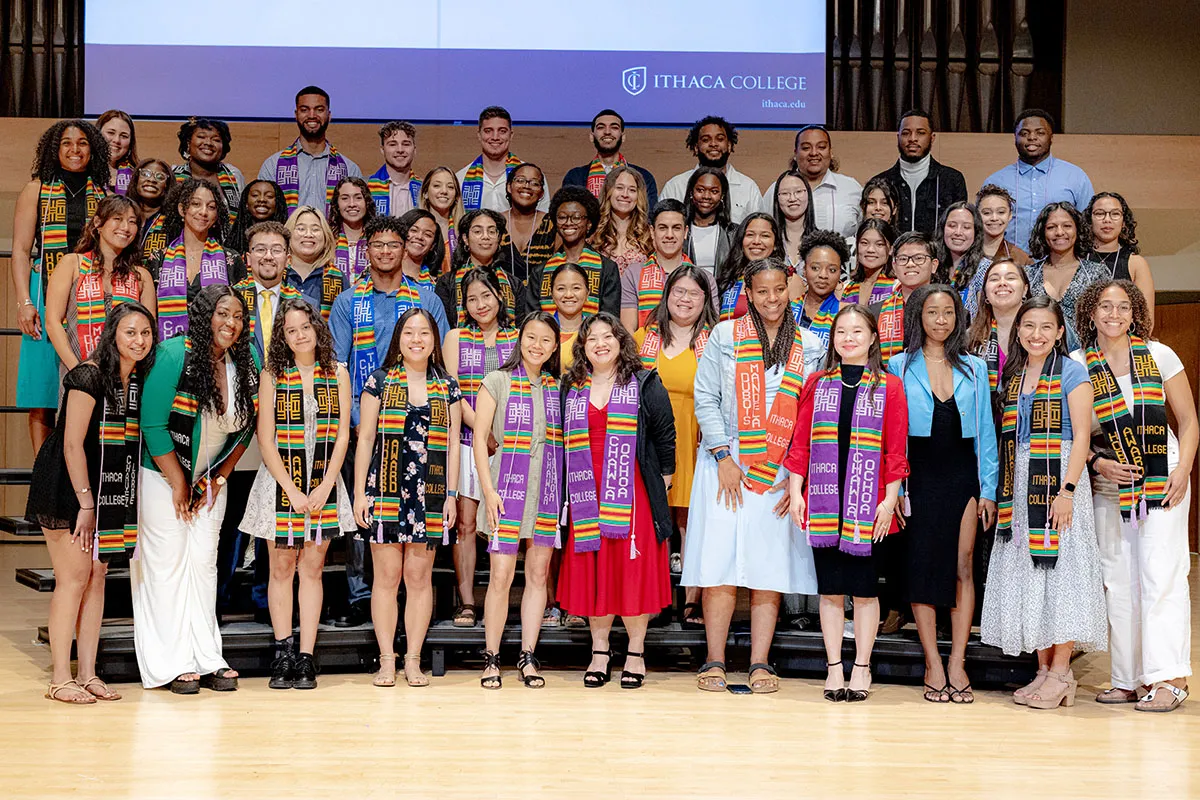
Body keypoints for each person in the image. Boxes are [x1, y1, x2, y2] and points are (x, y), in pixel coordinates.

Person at [686, 258, 824, 694]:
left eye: (778, 290)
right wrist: (723, 456)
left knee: (768, 566)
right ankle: (714, 659)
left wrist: (797, 474)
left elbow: (811, 416)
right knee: (720, 562)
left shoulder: (811, 344)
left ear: (791, 290)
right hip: (724, 463)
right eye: (761, 291)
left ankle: (761, 662)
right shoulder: (725, 336)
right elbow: (705, 397)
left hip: (780, 468)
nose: (771, 299)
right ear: (748, 293)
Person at [1072, 280, 1195, 712]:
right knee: (1118, 580)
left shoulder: (1159, 355)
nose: (1114, 314)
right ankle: (1127, 677)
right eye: (1105, 306)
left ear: (1134, 313)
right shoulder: (1076, 364)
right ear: (1090, 312)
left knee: (1161, 574)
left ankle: (1168, 678)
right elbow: (1074, 435)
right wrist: (1097, 464)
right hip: (1109, 478)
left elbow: (1189, 419)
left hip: (1163, 475)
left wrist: (1184, 469)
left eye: (1123, 307)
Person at [132, 284, 260, 692]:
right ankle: (169, 664)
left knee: (204, 566)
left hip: (209, 481)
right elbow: (153, 425)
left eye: (239, 316)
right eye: (223, 313)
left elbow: (248, 429)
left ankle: (207, 655)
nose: (231, 323)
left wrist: (219, 478)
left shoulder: (247, 360)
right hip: (162, 475)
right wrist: (178, 484)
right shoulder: (173, 355)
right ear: (205, 316)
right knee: (166, 566)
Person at [980, 296, 1106, 709]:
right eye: (1029, 326)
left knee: (1061, 572)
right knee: (1032, 572)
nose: (1037, 334)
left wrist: (1067, 491)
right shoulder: (1015, 376)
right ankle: (1043, 669)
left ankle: (1061, 671)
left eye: (1046, 327)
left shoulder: (1073, 373)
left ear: (1059, 332)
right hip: (1021, 484)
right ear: (1018, 331)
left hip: (1059, 481)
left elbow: (1083, 438)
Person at [27, 302, 156, 703]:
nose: (139, 340)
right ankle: (59, 678)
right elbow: (70, 445)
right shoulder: (89, 375)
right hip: (69, 486)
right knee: (74, 578)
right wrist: (85, 505)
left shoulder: (135, 380)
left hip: (108, 489)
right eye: (130, 332)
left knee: (97, 576)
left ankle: (87, 672)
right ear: (112, 333)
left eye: (146, 333)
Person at [786, 305, 909, 702]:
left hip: (868, 503)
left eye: (858, 331)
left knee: (865, 591)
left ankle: (862, 667)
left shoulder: (888, 386)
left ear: (873, 338)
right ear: (832, 338)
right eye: (842, 331)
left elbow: (895, 450)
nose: (849, 338)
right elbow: (801, 443)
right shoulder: (817, 383)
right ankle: (834, 667)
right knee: (831, 591)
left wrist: (890, 501)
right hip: (824, 501)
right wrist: (794, 491)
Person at [330, 215, 449, 626]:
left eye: (393, 245)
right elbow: (338, 364)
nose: (385, 251)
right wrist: (349, 421)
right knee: (364, 515)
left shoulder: (426, 297)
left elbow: (442, 358)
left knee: (420, 515)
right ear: (367, 250)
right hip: (365, 422)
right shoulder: (349, 300)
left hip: (419, 423)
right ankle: (363, 598)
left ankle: (415, 603)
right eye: (377, 244)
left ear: (405, 249)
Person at [889, 286, 998, 703]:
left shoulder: (974, 367)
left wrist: (988, 489)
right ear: (918, 316)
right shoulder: (899, 365)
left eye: (948, 312)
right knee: (922, 567)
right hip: (917, 478)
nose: (940, 320)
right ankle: (933, 662)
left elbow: (986, 433)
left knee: (963, 566)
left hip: (962, 477)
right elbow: (891, 433)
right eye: (932, 312)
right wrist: (895, 485)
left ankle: (958, 661)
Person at [241, 298, 353, 690]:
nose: (299, 335)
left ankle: (307, 656)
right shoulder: (273, 373)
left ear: (316, 328)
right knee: (280, 569)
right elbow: (265, 438)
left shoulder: (337, 372)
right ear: (282, 337)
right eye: (290, 330)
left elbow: (342, 434)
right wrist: (290, 489)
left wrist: (324, 486)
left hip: (324, 481)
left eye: (305, 326)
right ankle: (283, 651)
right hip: (280, 483)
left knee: (313, 569)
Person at [559, 313, 675, 689]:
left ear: (621, 340)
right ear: (582, 347)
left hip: (633, 493)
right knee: (595, 574)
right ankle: (599, 651)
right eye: (591, 339)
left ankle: (637, 653)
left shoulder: (644, 382)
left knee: (631, 574)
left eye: (607, 336)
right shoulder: (571, 386)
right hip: (584, 493)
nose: (600, 344)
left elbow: (665, 436)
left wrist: (661, 483)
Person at [353, 308, 462, 687]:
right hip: (384, 488)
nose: (417, 339)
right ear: (398, 340)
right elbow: (365, 438)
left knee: (418, 577)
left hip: (429, 494)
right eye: (410, 333)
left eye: (425, 333)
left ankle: (414, 658)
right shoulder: (379, 382)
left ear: (435, 341)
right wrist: (359, 493)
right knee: (386, 577)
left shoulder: (447, 386)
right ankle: (387, 659)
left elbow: (452, 445)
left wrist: (451, 494)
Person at [472, 312, 564, 688]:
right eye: (531, 337)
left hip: (546, 489)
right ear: (519, 339)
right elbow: (479, 438)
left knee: (538, 574)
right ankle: (492, 657)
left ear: (555, 346)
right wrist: (488, 491)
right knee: (501, 576)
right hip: (505, 491)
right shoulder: (497, 381)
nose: (537, 345)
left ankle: (528, 655)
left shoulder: (558, 388)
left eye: (546, 340)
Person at [12, 120, 109, 452]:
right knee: (42, 391)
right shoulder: (36, 189)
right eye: (66, 143)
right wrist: (25, 302)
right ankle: (43, 476)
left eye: (82, 143)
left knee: (87, 382)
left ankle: (77, 470)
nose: (74, 150)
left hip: (90, 293)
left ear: (92, 149)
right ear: (55, 150)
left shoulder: (105, 195)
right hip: (43, 292)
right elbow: (22, 251)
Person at [634, 266, 717, 627]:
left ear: (705, 301)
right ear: (666, 295)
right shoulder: (642, 338)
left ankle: (692, 601)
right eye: (679, 291)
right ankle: (655, 597)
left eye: (694, 294)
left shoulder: (716, 340)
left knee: (692, 522)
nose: (685, 300)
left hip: (696, 439)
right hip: (651, 442)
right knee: (654, 519)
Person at [442, 269, 520, 629]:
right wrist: (482, 430)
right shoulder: (456, 338)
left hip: (511, 442)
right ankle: (467, 601)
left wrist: (499, 434)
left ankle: (520, 598)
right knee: (466, 523)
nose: (479, 305)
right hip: (468, 438)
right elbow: (452, 391)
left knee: (511, 522)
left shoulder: (518, 338)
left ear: (499, 297)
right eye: (471, 299)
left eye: (485, 296)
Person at [44, 195, 156, 376]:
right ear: (98, 223)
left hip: (126, 377)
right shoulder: (72, 264)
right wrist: (80, 371)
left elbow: (148, 332)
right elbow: (52, 323)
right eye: (117, 219)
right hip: (78, 370)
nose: (125, 228)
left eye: (132, 221)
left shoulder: (141, 276)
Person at [982, 109, 1094, 248]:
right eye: (1024, 133)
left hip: (1059, 266)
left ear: (1051, 138)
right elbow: (983, 230)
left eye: (1040, 132)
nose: (1032, 137)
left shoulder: (1075, 177)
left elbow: (1088, 225)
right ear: (1014, 138)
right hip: (1010, 265)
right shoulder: (996, 181)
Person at [148, 178, 240, 339]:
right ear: (182, 209)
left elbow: (239, 313)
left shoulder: (230, 259)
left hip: (216, 351)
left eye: (211, 207)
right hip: (170, 350)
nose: (204, 212)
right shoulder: (158, 258)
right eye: (196, 204)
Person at [258, 85, 362, 216]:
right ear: (296, 115)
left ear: (329, 115)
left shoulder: (349, 169)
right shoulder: (272, 166)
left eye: (319, 109)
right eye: (304, 110)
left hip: (333, 237)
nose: (312, 115)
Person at [621, 199, 719, 332]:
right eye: (663, 228)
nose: (669, 235)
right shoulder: (634, 273)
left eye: (676, 228)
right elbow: (628, 330)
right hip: (643, 350)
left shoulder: (704, 278)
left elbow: (710, 328)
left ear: (685, 232)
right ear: (652, 231)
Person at [868, 110, 968, 235]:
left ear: (932, 138)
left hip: (937, 254)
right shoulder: (882, 182)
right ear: (898, 137)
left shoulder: (951, 180)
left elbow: (960, 227)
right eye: (906, 133)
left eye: (920, 133)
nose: (913, 139)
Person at [1025, 202, 1109, 351]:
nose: (1059, 232)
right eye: (1051, 227)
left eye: (1067, 226)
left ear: (1078, 230)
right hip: (1038, 351)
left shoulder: (1097, 273)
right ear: (1042, 233)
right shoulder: (1029, 274)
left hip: (1086, 355)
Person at [530, 187, 621, 318]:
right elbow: (532, 319)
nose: (568, 223)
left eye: (576, 218)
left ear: (589, 223)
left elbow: (610, 319)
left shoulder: (607, 268)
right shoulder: (540, 271)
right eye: (562, 217)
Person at [766, 125, 861, 241]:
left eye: (821, 147)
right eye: (806, 148)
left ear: (830, 152)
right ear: (795, 153)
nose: (814, 153)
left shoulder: (851, 188)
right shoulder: (777, 189)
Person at [660, 116, 762, 223]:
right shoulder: (675, 186)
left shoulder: (748, 187)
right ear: (696, 147)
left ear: (729, 146)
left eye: (720, 139)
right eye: (706, 140)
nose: (713, 144)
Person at [436, 209, 524, 326]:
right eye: (477, 231)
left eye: (492, 232)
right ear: (465, 239)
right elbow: (443, 329)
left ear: (498, 238)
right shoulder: (447, 283)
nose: (485, 237)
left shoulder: (514, 284)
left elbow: (522, 328)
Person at [456, 106, 550, 213]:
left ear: (511, 135)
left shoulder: (533, 178)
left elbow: (544, 219)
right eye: (488, 131)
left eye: (502, 131)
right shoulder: (460, 179)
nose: (495, 137)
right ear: (479, 135)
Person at [1083, 192, 1156, 325]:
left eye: (1115, 214)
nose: (1107, 219)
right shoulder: (1077, 258)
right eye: (1100, 213)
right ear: (1089, 220)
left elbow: (1146, 319)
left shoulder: (1136, 263)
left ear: (1123, 222)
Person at [562, 109, 658, 208]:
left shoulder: (644, 177)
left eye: (614, 127)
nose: (607, 132)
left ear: (623, 137)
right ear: (592, 136)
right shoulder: (574, 177)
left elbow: (648, 216)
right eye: (601, 127)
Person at [966, 258, 1032, 396]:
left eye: (1011, 278)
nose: (1002, 283)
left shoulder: (1045, 331)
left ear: (1025, 289)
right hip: (982, 415)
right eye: (994, 279)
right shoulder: (969, 338)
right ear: (986, 293)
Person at [875, 231, 939, 360]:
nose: (910, 264)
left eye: (919, 258)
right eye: (903, 259)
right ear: (894, 266)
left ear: (934, 265)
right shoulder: (875, 312)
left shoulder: (951, 311)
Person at [716, 213, 789, 321]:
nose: (756, 241)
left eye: (765, 236)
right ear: (741, 241)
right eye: (750, 235)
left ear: (775, 244)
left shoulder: (789, 279)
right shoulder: (729, 279)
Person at [282, 205, 346, 321]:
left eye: (315, 229)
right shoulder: (276, 274)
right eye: (301, 229)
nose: (308, 234)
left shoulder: (337, 278)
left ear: (325, 236)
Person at [173, 117, 243, 222]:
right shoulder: (173, 175)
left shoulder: (233, 175)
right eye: (201, 137)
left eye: (216, 140)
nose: (208, 143)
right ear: (188, 143)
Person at [592, 165, 654, 277]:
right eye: (619, 188)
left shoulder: (649, 235)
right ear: (608, 191)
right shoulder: (593, 233)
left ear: (638, 196)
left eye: (632, 190)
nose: (625, 195)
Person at [499, 162, 556, 274]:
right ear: (509, 187)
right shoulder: (495, 222)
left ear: (541, 193)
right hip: (501, 290)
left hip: (541, 290)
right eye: (520, 180)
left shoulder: (552, 224)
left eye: (534, 183)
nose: (526, 186)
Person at [797, 230, 849, 347]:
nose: (823, 275)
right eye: (815, 268)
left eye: (832, 270)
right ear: (804, 270)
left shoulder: (846, 314)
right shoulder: (788, 310)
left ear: (840, 274)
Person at [935, 202, 988, 314]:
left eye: (966, 227)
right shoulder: (932, 265)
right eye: (952, 226)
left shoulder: (985, 269)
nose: (958, 232)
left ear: (976, 232)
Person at [682, 167, 734, 274]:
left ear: (722, 195)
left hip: (723, 290)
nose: (706, 196)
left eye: (714, 191)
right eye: (700, 190)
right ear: (691, 192)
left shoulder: (733, 233)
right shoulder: (679, 230)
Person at [366, 120, 421, 218]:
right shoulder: (366, 188)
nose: (400, 150)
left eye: (406, 144)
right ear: (383, 150)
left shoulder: (424, 189)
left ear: (414, 150)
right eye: (392, 144)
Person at [328, 176, 376, 282]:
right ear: (337, 204)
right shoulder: (327, 238)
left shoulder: (377, 238)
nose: (352, 204)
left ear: (367, 202)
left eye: (358, 198)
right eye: (345, 198)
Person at [841, 219, 897, 307]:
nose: (870, 250)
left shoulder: (898, 288)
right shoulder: (844, 289)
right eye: (864, 243)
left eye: (879, 244)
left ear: (890, 249)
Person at [976, 184, 1033, 269]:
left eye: (1001, 212)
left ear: (1010, 215)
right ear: (977, 215)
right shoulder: (964, 253)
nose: (994, 218)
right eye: (987, 213)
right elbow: (952, 281)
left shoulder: (1022, 259)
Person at [127, 158, 173, 263]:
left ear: (166, 185)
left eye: (160, 177)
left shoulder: (173, 222)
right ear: (136, 179)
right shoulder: (122, 214)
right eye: (146, 174)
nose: (151, 180)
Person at [418, 166, 463, 272]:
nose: (444, 191)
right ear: (425, 193)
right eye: (437, 186)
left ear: (456, 197)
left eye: (450, 187)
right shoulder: (412, 229)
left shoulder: (465, 230)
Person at [770, 168, 815, 269]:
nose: (792, 199)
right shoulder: (768, 241)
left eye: (798, 191)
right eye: (785, 193)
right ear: (777, 199)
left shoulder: (822, 241)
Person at [228, 179, 288, 255]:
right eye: (255, 195)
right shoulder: (235, 240)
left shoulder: (287, 239)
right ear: (246, 203)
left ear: (278, 204)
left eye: (269, 196)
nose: (262, 199)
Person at [551, 262, 589, 373]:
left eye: (576, 288)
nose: (568, 295)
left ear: (587, 293)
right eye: (561, 289)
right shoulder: (544, 330)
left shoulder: (595, 330)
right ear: (552, 294)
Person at [97, 109, 137, 195]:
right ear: (97, 134)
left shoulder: (137, 176)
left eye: (124, 136)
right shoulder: (83, 171)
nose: (116, 140)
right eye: (111, 133)